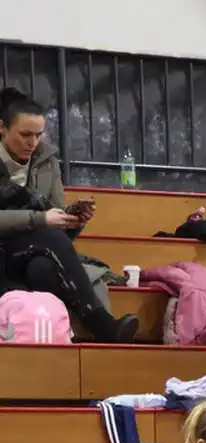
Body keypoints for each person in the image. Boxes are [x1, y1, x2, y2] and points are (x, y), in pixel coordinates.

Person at [0, 87, 138, 342]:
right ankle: (103, 325)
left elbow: (56, 211)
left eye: (38, 135)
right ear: (3, 129)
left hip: (38, 246)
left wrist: (73, 219)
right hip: (6, 246)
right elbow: (44, 218)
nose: (33, 143)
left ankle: (59, 338)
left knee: (42, 270)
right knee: (50, 240)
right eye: (25, 135)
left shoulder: (46, 159)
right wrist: (40, 219)